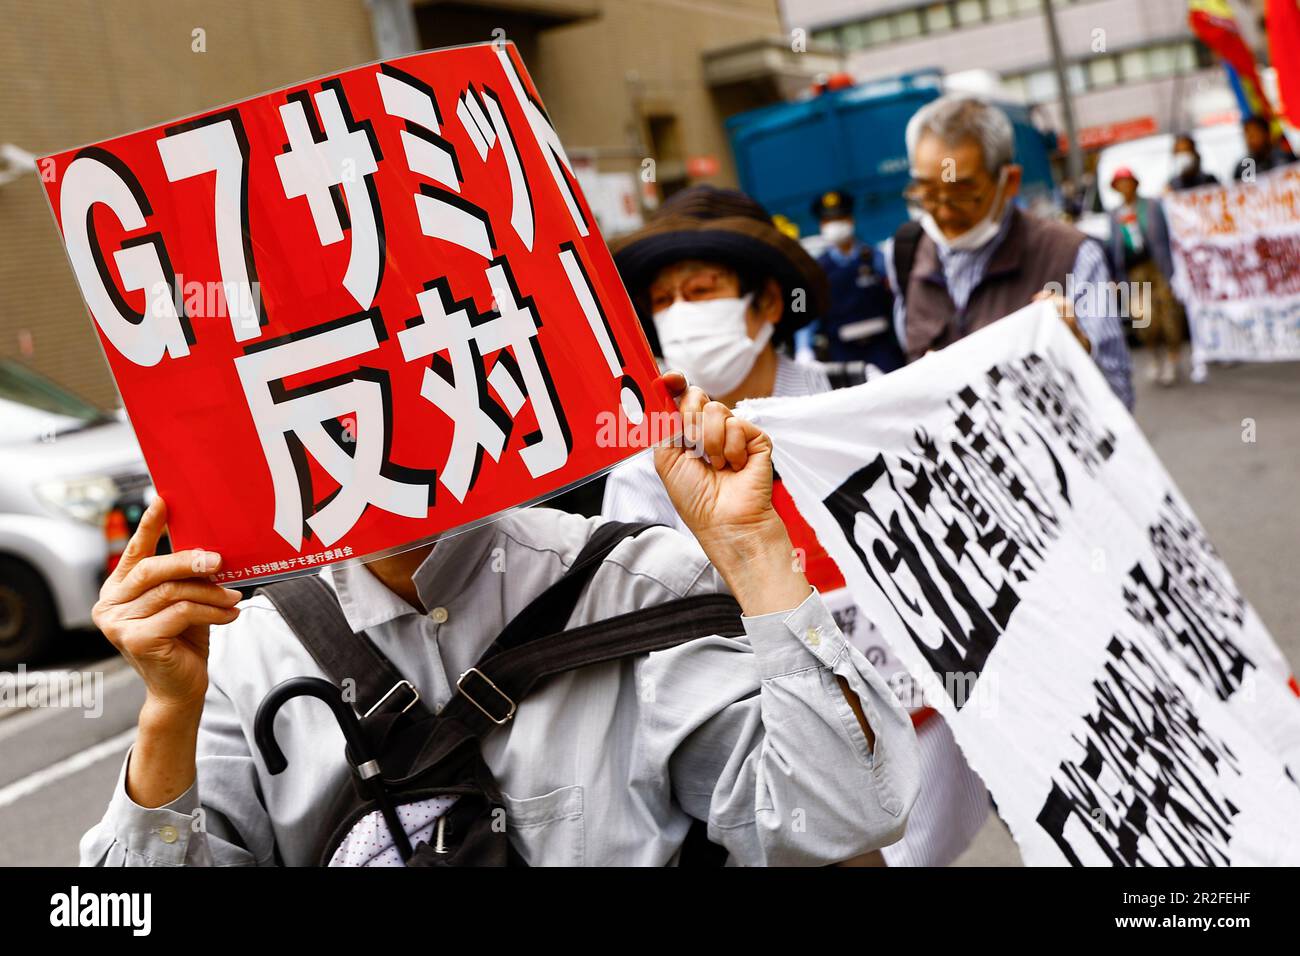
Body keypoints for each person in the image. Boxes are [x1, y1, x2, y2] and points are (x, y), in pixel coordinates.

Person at [80, 382, 921, 866]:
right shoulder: (234, 658)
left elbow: (849, 815)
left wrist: (754, 551)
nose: (360, 431)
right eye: (320, 400)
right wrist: (165, 715)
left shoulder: (638, 585)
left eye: (396, 382)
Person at [603, 184, 992, 867]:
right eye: (663, 302)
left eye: (701, 292)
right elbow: (645, 649)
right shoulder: (646, 467)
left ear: (769, 306)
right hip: (784, 760)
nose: (680, 316)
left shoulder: (855, 395)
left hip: (925, 734)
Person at [887, 93, 1134, 410]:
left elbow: (1119, 400)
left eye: (961, 193)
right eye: (927, 192)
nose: (943, 211)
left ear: (1010, 181)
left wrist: (1079, 351)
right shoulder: (904, 255)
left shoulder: (1074, 256)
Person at [801, 190, 904, 374]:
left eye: (840, 218)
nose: (835, 225)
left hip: (882, 348)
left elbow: (899, 296)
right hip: (842, 352)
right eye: (829, 221)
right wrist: (803, 348)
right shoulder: (817, 270)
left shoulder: (875, 258)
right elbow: (805, 312)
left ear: (851, 220)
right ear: (821, 225)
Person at [1107, 167, 1182, 386]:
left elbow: (1168, 236)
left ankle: (1172, 358)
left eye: (1127, 182)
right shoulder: (1114, 215)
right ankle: (1155, 356)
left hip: (1156, 267)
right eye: (1120, 183)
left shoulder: (1151, 206)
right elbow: (1113, 247)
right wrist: (1115, 277)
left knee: (1168, 313)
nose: (1124, 187)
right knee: (1144, 319)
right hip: (1133, 273)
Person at [1234, 115, 1296, 181]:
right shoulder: (1242, 167)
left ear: (1267, 134)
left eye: (1254, 134)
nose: (1250, 139)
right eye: (1247, 134)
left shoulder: (1287, 158)